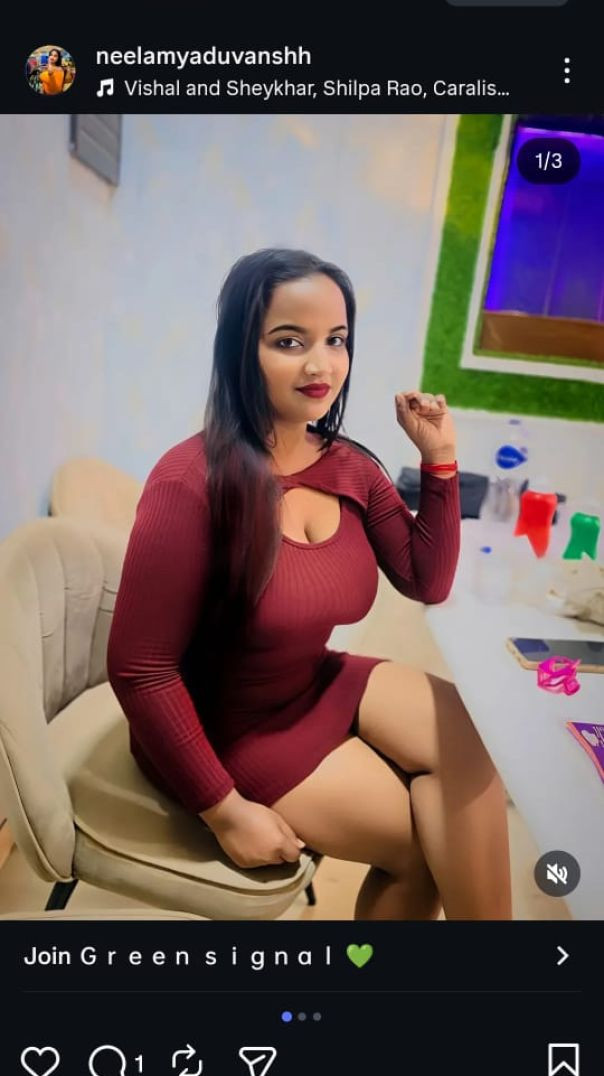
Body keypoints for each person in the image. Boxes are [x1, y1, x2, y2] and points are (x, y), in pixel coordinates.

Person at [107, 248, 512, 920]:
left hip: (310, 677)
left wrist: (439, 459)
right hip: (225, 728)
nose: (321, 365)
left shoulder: (349, 465)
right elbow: (139, 669)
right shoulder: (188, 484)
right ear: (241, 350)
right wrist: (224, 810)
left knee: (473, 744)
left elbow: (425, 579)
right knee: (421, 849)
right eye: (289, 342)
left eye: (336, 340)